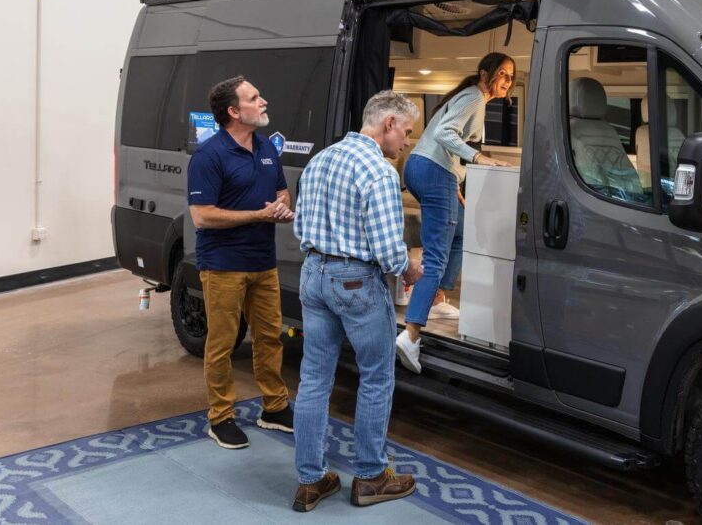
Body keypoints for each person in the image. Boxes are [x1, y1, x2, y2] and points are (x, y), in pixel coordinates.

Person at [292, 90, 424, 512]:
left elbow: (300, 225)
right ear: (387, 124)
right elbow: (387, 250)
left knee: (314, 379)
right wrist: (410, 268)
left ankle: (310, 482)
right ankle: (370, 476)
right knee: (376, 377)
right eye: (405, 133)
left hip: (313, 274)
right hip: (356, 284)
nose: (405, 142)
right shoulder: (379, 171)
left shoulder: (321, 159)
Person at [187, 75, 295, 450]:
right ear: (234, 111)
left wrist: (280, 205)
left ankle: (275, 407)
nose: (263, 101)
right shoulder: (209, 155)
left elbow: (280, 189)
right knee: (222, 343)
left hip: (263, 261)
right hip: (223, 265)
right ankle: (221, 417)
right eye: (254, 97)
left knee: (269, 336)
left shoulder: (266, 146)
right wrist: (258, 215)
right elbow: (202, 216)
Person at [396, 53, 515, 373]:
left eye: (510, 76)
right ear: (485, 73)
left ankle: (436, 300)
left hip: (423, 169)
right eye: (502, 73)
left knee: (463, 230)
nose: (506, 80)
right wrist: (480, 159)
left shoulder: (469, 97)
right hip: (434, 173)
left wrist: (457, 188)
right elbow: (445, 134)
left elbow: (446, 145)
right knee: (435, 257)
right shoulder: (475, 96)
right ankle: (410, 334)